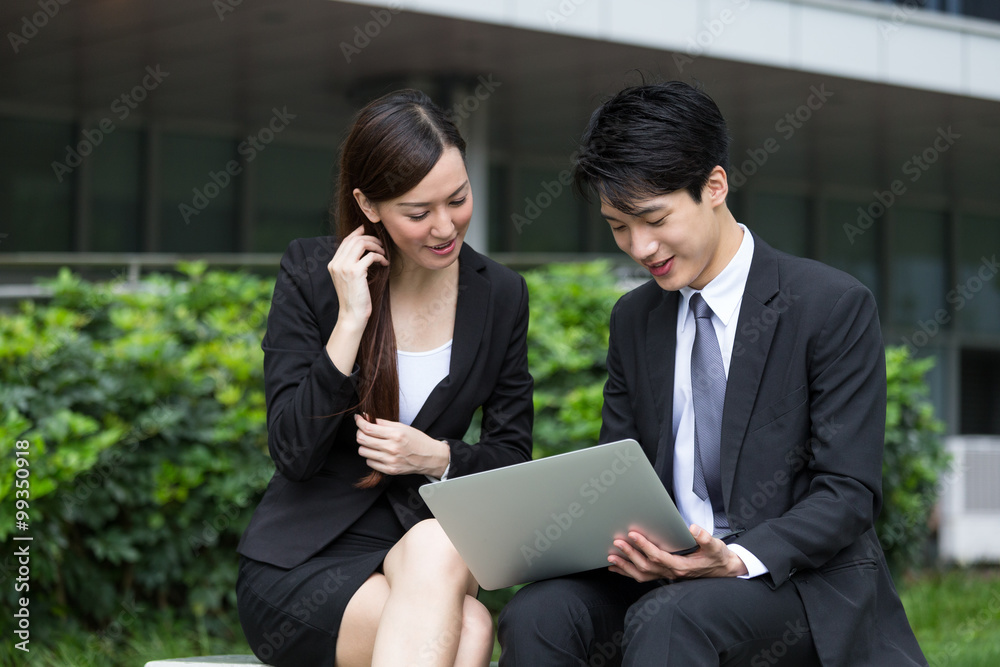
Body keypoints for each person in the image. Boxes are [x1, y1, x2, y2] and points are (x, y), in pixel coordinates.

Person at [497, 81, 927, 666]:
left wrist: (736, 559)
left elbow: (847, 494)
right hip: (665, 573)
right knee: (538, 614)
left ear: (715, 186)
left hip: (792, 583)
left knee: (671, 619)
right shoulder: (635, 318)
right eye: (618, 225)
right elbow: (621, 466)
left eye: (653, 218)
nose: (640, 247)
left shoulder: (829, 305)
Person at [236, 89, 533, 667]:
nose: (445, 227)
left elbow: (511, 458)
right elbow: (293, 452)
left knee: (443, 549)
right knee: (470, 630)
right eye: (418, 213)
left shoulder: (500, 294)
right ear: (369, 206)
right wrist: (349, 322)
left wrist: (438, 458)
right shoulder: (311, 274)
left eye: (458, 199)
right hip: (303, 563)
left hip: (426, 554)